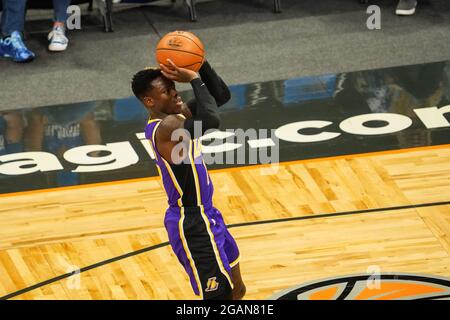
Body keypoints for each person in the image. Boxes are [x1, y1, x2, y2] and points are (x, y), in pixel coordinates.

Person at [131, 59, 246, 300]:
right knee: (219, 296)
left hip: (208, 213)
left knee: (236, 289)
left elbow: (220, 96)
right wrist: (193, 79)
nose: (174, 92)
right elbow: (212, 121)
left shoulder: (178, 116)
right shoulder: (167, 125)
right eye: (166, 91)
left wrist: (200, 64)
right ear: (149, 101)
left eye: (173, 86)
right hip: (192, 220)